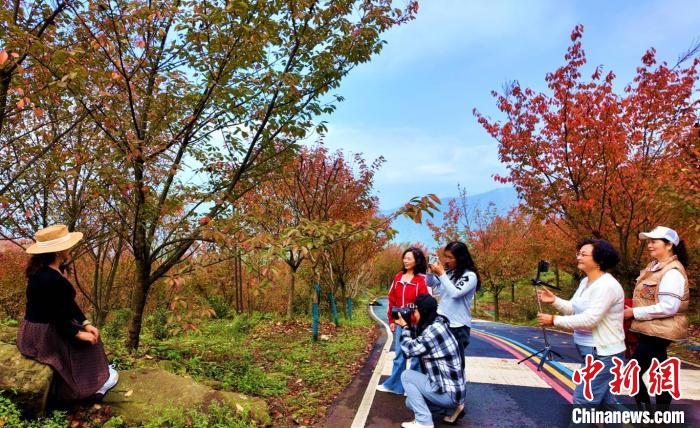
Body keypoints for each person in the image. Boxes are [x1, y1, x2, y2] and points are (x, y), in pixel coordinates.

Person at [17, 225, 118, 402]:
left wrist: (85, 322)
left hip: (33, 329)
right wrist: (78, 334)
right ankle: (93, 384)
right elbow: (56, 315)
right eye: (67, 245)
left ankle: (96, 373)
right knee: (88, 344)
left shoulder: (46, 270)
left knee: (88, 334)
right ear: (58, 251)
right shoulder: (51, 278)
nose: (70, 248)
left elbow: (66, 304)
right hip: (44, 334)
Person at [537, 238, 625, 418]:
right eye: (579, 253)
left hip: (604, 353)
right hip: (592, 351)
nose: (578, 257)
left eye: (584, 254)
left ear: (599, 260)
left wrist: (554, 320)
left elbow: (590, 319)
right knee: (606, 403)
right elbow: (574, 308)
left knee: (583, 400)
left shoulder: (607, 286)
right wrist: (554, 301)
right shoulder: (586, 282)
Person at [625, 226, 690, 413]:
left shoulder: (672, 272)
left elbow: (669, 307)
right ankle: (659, 413)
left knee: (633, 372)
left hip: (659, 331)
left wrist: (634, 313)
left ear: (669, 245)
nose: (649, 245)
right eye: (649, 241)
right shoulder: (655, 267)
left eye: (654, 241)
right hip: (652, 329)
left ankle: (648, 412)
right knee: (659, 372)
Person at [397, 294, 465, 428]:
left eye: (415, 311)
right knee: (410, 403)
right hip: (454, 391)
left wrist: (405, 327)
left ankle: (424, 422)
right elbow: (420, 339)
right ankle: (452, 410)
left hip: (448, 393)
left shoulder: (433, 331)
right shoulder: (438, 322)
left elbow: (408, 351)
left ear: (423, 311)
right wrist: (411, 325)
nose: (413, 314)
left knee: (406, 376)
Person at [377, 247, 429, 395]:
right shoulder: (398, 277)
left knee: (416, 356)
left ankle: (412, 387)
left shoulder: (421, 280)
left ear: (417, 261)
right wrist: (391, 320)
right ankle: (395, 385)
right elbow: (392, 299)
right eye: (404, 258)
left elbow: (425, 301)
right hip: (400, 321)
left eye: (409, 259)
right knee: (400, 354)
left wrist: (421, 320)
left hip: (416, 323)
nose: (405, 261)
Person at [427, 241, 480, 376]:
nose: (446, 260)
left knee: (455, 365)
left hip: (458, 326)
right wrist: (430, 272)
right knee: (439, 362)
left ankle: (457, 388)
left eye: (450, 257)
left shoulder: (470, 276)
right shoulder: (449, 273)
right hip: (441, 323)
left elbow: (455, 293)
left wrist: (442, 274)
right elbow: (430, 283)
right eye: (445, 256)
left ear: (461, 258)